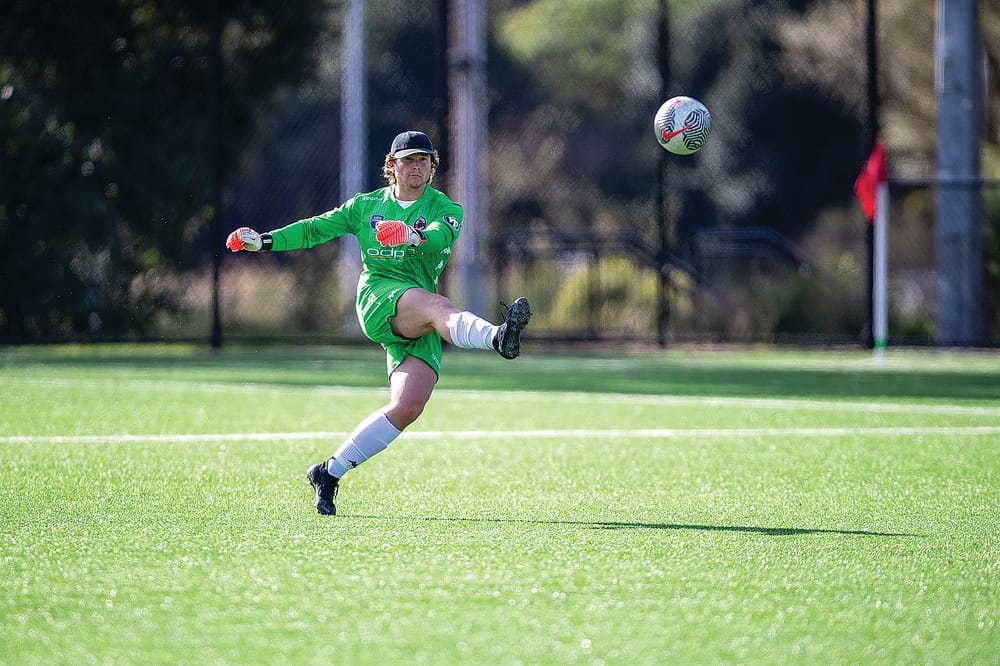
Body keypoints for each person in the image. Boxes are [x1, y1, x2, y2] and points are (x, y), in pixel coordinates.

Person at [225, 130, 531, 516]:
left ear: (432, 167)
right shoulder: (365, 206)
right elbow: (315, 229)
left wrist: (413, 235)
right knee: (439, 305)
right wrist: (264, 241)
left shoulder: (446, 208)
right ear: (392, 165)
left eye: (423, 160)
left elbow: (438, 238)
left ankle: (328, 472)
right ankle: (498, 338)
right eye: (408, 159)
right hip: (379, 297)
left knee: (407, 406)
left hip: (417, 314)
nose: (416, 166)